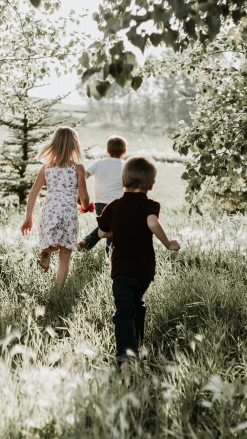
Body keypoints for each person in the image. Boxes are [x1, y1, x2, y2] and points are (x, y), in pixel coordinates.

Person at [96, 156, 180, 369]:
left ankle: (126, 358)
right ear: (151, 185)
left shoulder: (114, 206)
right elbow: (151, 221)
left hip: (122, 269)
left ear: (123, 181)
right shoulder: (151, 205)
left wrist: (119, 229)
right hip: (144, 270)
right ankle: (138, 343)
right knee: (137, 304)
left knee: (124, 311)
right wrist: (168, 243)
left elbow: (102, 231)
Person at [21, 126, 90, 289]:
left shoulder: (47, 167)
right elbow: (84, 196)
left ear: (55, 144)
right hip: (68, 212)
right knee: (65, 254)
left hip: (50, 210)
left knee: (52, 240)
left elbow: (33, 194)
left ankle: (47, 250)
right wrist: (85, 206)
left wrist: (28, 218)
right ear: (75, 146)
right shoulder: (78, 168)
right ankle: (58, 290)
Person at [78, 135, 127, 253]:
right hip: (116, 203)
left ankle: (86, 242)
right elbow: (126, 184)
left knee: (105, 227)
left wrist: (80, 191)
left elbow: (84, 175)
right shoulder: (124, 166)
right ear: (124, 152)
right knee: (112, 229)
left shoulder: (99, 163)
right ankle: (109, 254)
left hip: (99, 202)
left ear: (107, 151)